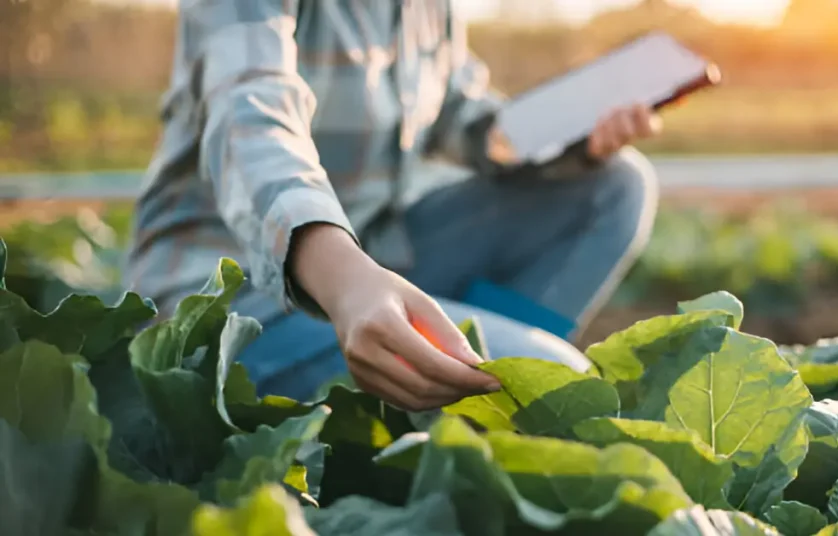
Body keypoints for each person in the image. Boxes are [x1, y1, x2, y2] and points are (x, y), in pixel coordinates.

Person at [123, 0, 665, 410]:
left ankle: (451, 388)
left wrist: (574, 132)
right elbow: (249, 117)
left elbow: (463, 118)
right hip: (233, 296)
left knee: (613, 187)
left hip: (374, 260)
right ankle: (463, 399)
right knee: (551, 377)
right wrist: (344, 279)